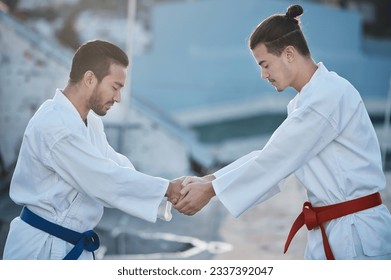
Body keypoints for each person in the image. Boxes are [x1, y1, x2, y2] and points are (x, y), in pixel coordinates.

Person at [175, 5, 391, 260]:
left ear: (289, 53)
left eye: (265, 64)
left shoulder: (327, 97)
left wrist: (211, 189)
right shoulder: (309, 99)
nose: (263, 74)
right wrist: (210, 180)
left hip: (354, 235)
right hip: (334, 228)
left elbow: (274, 160)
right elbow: (273, 156)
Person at [3, 40, 182, 260]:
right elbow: (104, 180)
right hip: (43, 249)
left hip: (72, 244)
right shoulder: (55, 125)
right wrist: (166, 189)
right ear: (89, 78)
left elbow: (115, 166)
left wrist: (171, 188)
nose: (118, 98)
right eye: (115, 87)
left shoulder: (90, 122)